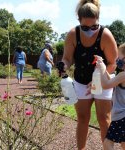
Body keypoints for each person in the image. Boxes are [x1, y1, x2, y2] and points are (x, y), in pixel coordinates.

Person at [57, 0, 118, 149]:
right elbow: (67, 58)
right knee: (83, 118)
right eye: (85, 27)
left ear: (98, 20)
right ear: (79, 21)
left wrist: (97, 81)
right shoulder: (73, 34)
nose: (90, 30)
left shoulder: (105, 35)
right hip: (81, 81)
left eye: (94, 27)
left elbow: (113, 63)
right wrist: (63, 65)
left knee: (104, 119)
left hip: (103, 81)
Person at [96, 44, 125, 150]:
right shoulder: (121, 76)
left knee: (108, 143)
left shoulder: (123, 75)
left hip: (121, 117)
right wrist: (103, 67)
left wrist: (102, 68)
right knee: (123, 143)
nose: (117, 60)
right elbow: (111, 81)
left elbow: (106, 85)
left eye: (119, 57)